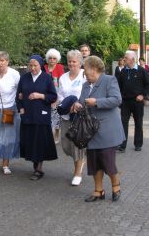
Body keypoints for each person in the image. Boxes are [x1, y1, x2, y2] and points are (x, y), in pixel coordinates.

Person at [72, 56, 125, 202]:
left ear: (94, 69)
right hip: (90, 130)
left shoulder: (109, 80)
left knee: (107, 161)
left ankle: (116, 185)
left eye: (87, 71)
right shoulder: (85, 85)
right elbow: (83, 101)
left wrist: (97, 102)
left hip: (107, 129)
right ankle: (98, 190)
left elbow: (117, 99)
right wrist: (78, 104)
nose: (85, 74)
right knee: (94, 162)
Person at [16, 55, 58, 180]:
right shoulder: (24, 78)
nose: (33, 68)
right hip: (27, 115)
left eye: (35, 65)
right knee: (30, 141)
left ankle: (38, 169)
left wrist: (40, 96)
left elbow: (53, 96)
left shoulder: (46, 78)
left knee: (39, 141)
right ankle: (35, 166)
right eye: (31, 65)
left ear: (40, 65)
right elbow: (18, 95)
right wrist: (20, 108)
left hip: (41, 115)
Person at [57, 50, 86, 186]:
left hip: (80, 116)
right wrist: (65, 105)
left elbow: (88, 93)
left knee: (77, 145)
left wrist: (79, 104)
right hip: (66, 115)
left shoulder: (84, 76)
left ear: (80, 63)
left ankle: (77, 173)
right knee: (66, 144)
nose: (71, 64)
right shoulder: (63, 77)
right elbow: (60, 95)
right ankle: (80, 162)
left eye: (74, 61)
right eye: (69, 61)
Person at [117, 51, 149, 152]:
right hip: (125, 102)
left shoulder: (141, 71)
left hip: (137, 102)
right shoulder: (123, 71)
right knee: (123, 123)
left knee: (138, 123)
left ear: (132, 59)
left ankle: (138, 144)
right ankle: (122, 145)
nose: (124, 60)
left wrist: (143, 95)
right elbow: (118, 86)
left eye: (125, 58)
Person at [44, 48, 65, 143]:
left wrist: (57, 99)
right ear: (47, 59)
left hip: (57, 94)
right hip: (45, 95)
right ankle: (47, 135)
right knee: (46, 116)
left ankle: (56, 134)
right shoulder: (43, 68)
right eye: (50, 58)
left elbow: (62, 83)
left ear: (57, 59)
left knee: (56, 117)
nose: (52, 60)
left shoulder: (60, 67)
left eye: (54, 58)